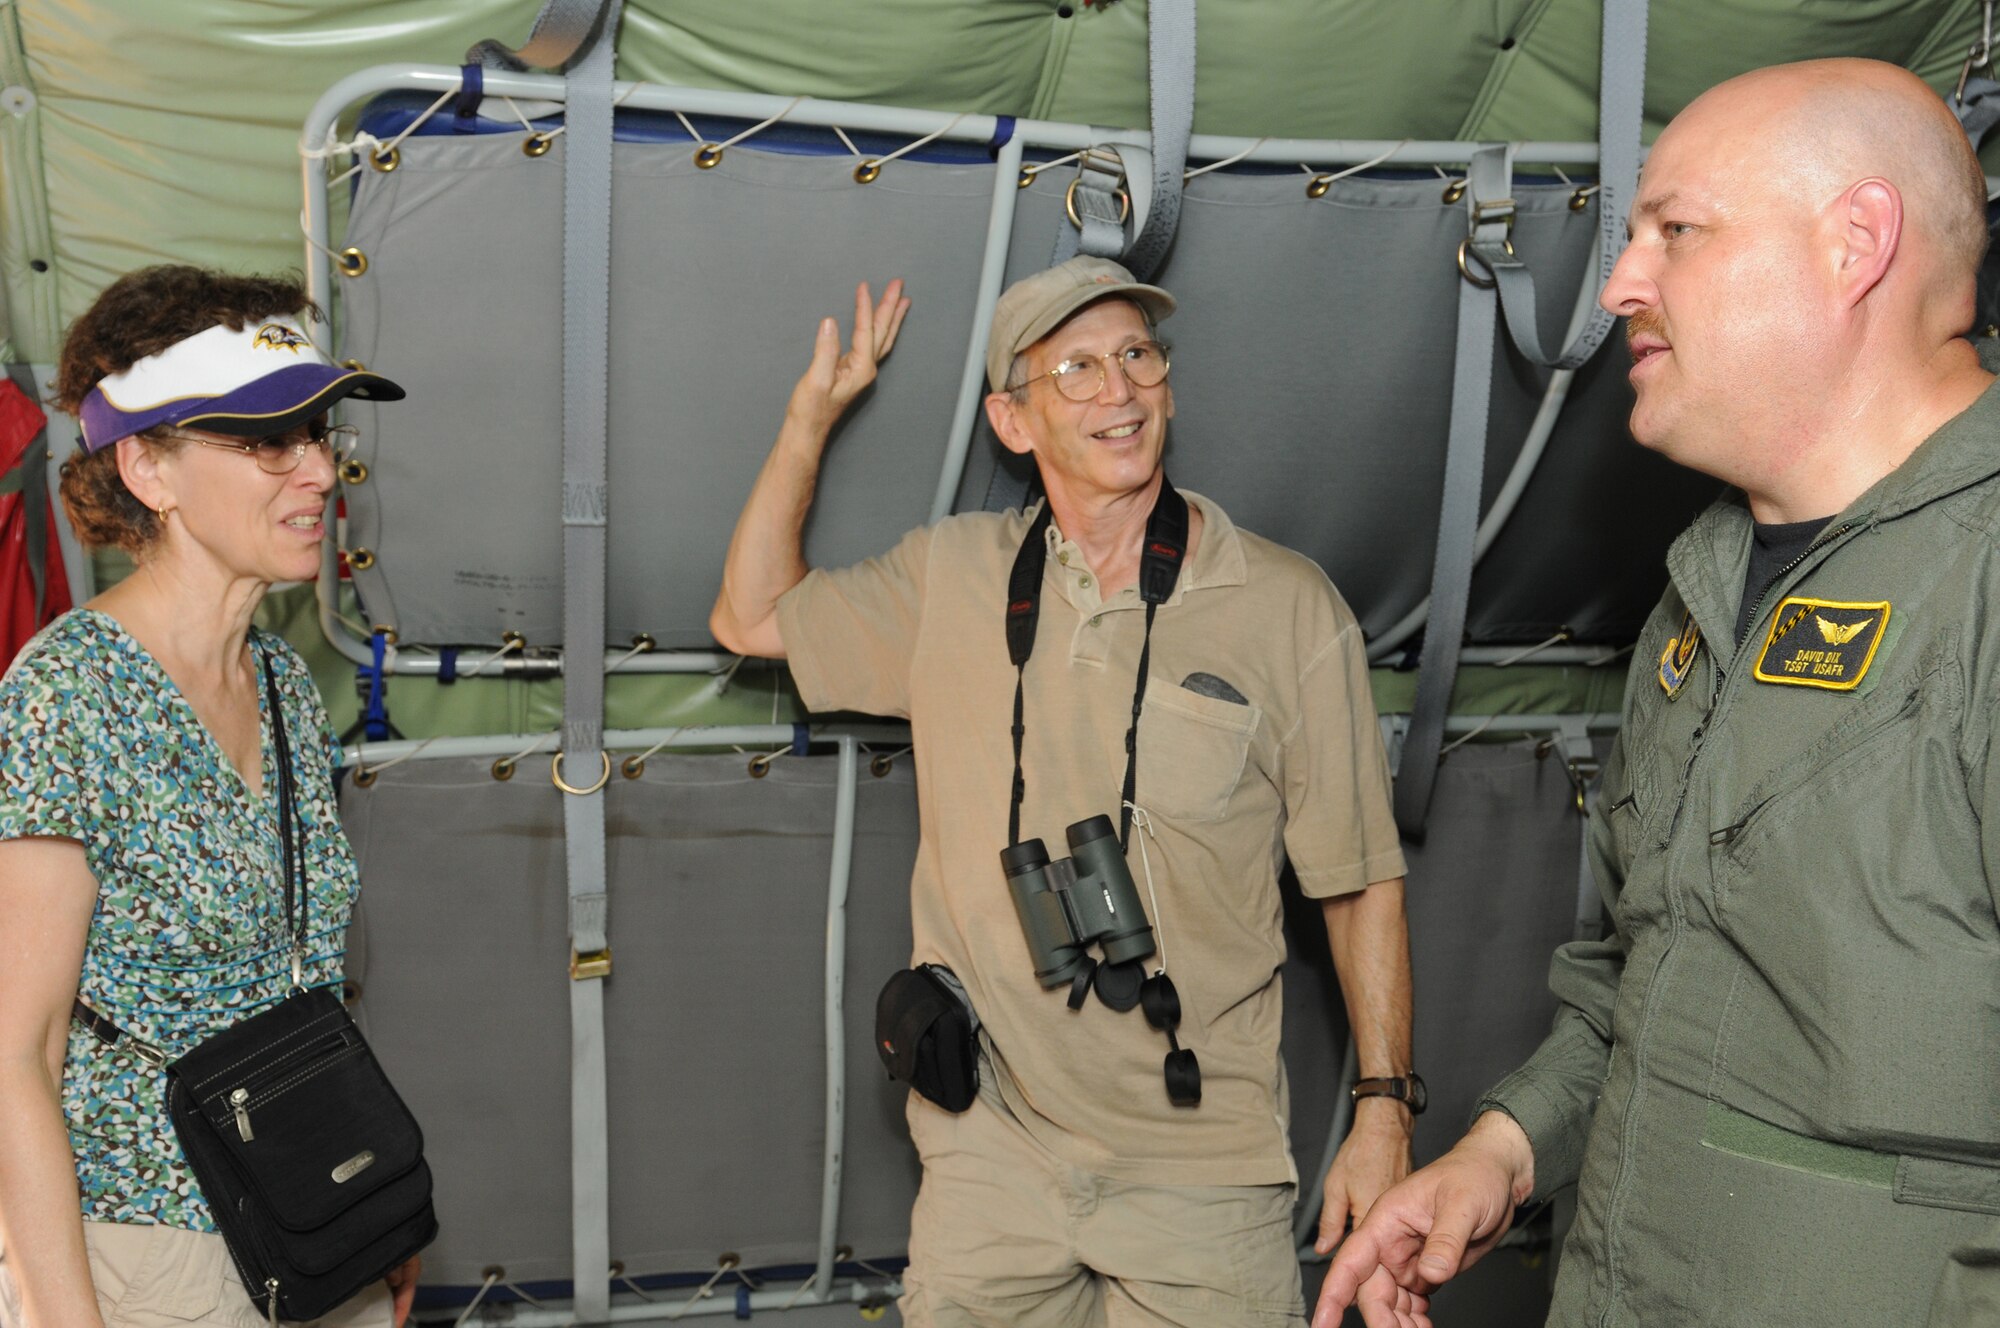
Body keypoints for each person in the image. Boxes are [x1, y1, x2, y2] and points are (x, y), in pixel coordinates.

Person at [1317, 58, 2000, 1328]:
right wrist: (1501, 1153)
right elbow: (1655, 964)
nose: (1618, 283)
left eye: (1673, 231)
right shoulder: (1702, 588)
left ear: (1855, 243)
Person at [711, 257, 1414, 1326]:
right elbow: (750, 617)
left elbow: (1357, 879)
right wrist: (811, 416)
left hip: (1202, 1167)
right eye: (1075, 368)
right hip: (989, 1156)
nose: (1117, 392)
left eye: (1136, 356)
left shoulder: (1284, 604)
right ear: (1012, 419)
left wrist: (1382, 1109)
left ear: (1167, 385)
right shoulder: (948, 577)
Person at [0, 266, 421, 1327]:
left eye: (320, 432)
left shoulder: (280, 679)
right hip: (150, 1260)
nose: (321, 469)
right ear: (148, 465)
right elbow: (13, 1056)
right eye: (271, 441)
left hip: (310, 1223)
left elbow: (299, 982)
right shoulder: (68, 694)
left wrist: (366, 1202)